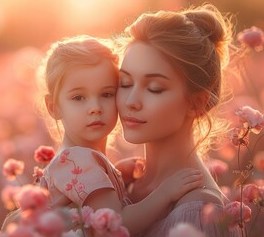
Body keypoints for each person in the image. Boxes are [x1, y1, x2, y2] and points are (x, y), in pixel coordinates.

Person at [34, 35, 203, 235]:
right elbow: (118, 224)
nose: (95, 108)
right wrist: (165, 193)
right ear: (53, 107)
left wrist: (118, 175)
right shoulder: (75, 160)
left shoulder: (78, 159)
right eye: (78, 97)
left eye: (106, 94)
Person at [114, 3, 241, 236]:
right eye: (125, 83)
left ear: (196, 103)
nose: (131, 100)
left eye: (154, 88)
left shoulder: (197, 212)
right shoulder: (124, 182)